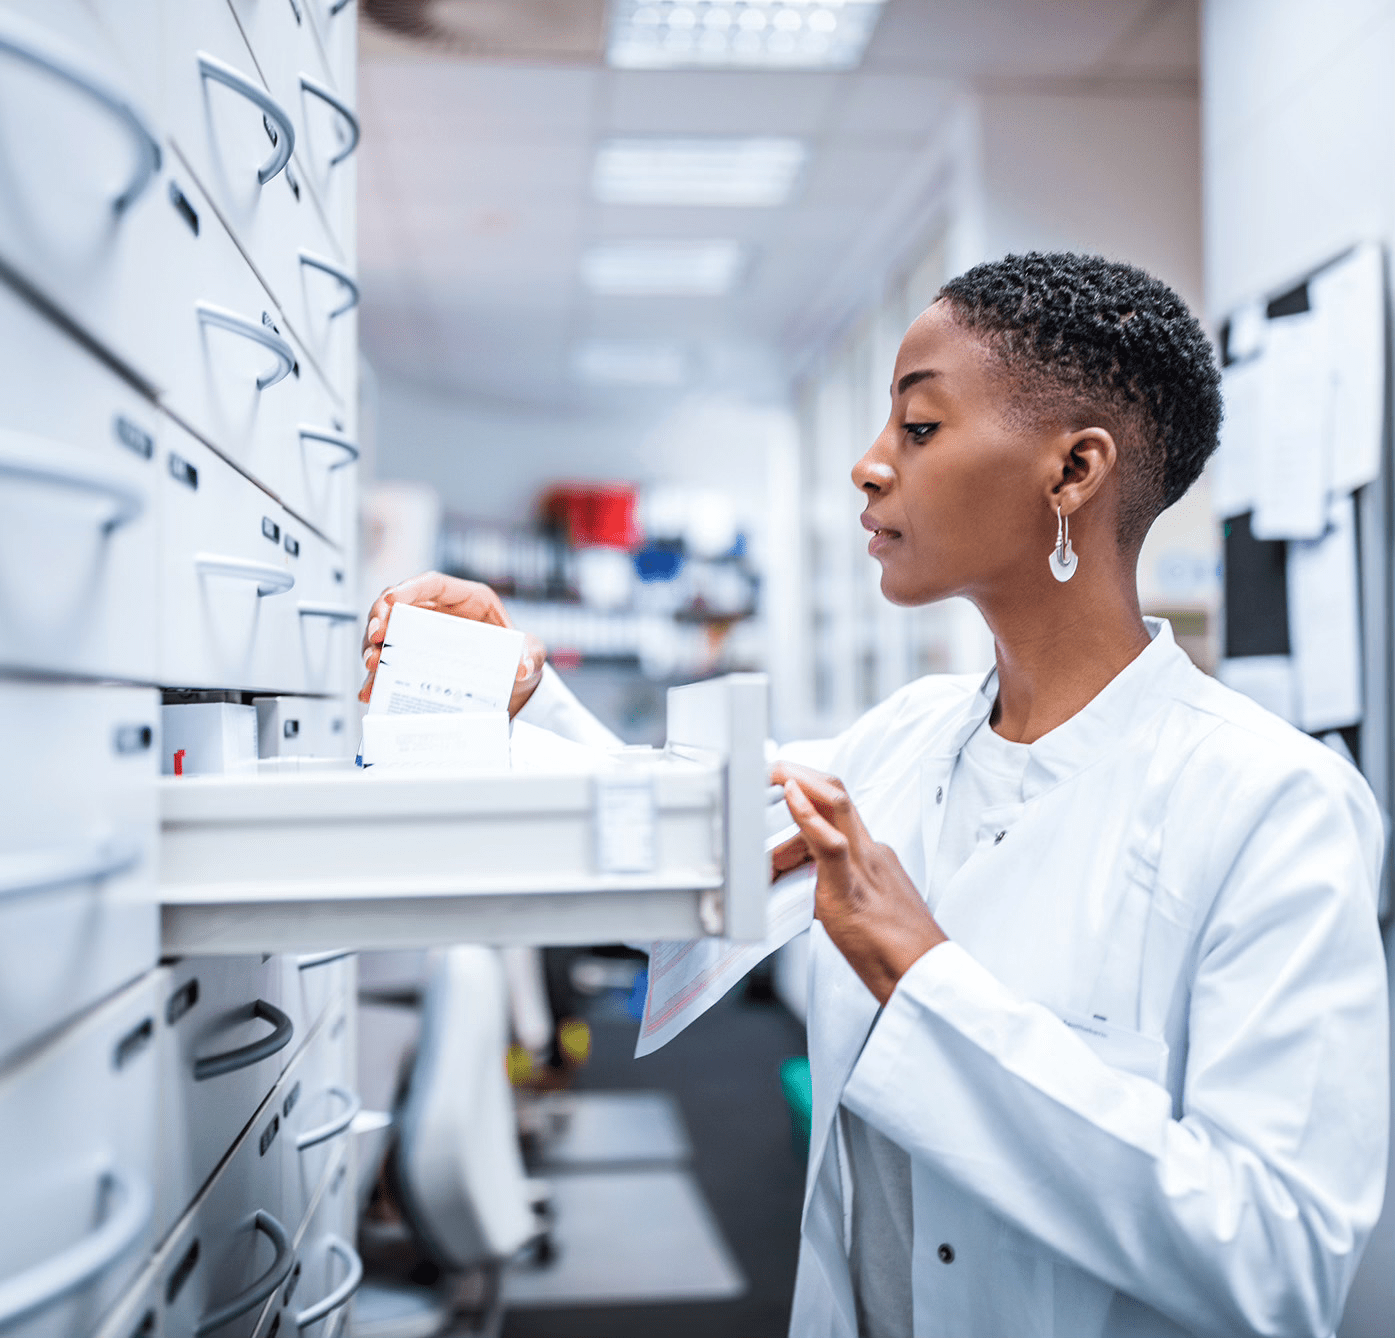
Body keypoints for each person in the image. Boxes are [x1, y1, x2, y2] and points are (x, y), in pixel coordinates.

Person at [359, 252, 1389, 1338]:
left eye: (921, 427)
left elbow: (1280, 1260)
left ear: (1074, 472)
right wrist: (520, 697)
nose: (867, 466)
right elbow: (666, 849)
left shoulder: (1276, 805)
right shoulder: (906, 740)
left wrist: (924, 977)